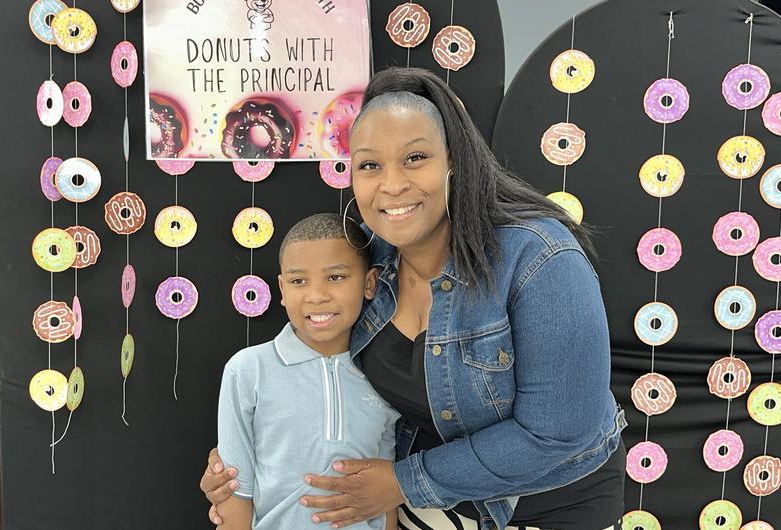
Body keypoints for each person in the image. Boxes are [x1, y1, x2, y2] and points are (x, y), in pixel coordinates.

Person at [202, 67, 627, 530]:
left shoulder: (540, 258)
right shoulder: (365, 258)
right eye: (369, 165)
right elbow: (312, 352)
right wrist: (241, 466)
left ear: (452, 161)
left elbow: (558, 434)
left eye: (415, 158)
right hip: (417, 500)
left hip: (550, 504)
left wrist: (403, 482)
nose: (392, 185)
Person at [215, 213, 400, 530]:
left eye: (336, 277)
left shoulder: (384, 375)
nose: (316, 296)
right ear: (282, 289)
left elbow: (386, 496)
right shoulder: (247, 370)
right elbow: (234, 491)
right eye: (299, 281)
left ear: (369, 283)